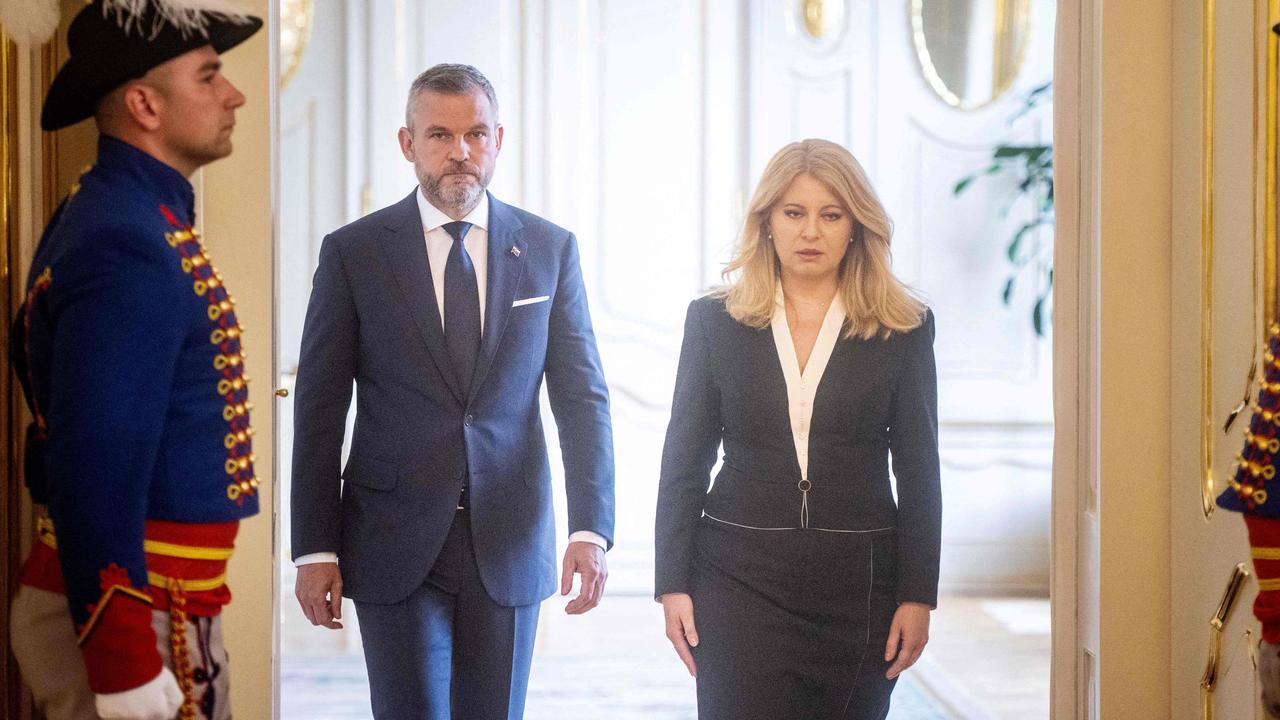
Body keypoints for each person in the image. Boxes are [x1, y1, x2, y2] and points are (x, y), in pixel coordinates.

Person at [290, 63, 616, 719]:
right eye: (439, 134)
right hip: (391, 538)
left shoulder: (550, 250)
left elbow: (582, 400)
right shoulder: (354, 253)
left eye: (476, 133)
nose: (460, 151)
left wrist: (591, 528)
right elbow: (321, 410)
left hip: (510, 536)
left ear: (499, 140)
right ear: (408, 143)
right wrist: (314, 546)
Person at [7, 2, 263, 719]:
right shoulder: (128, 241)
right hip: (142, 612)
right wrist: (123, 659)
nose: (233, 94)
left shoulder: (129, 216)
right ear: (145, 103)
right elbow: (96, 462)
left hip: (164, 601)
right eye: (209, 76)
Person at [654, 138, 942, 719]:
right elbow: (684, 459)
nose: (811, 232)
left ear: (856, 225)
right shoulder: (714, 321)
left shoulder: (902, 327)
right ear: (767, 222)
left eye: (830, 215)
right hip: (736, 577)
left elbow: (918, 467)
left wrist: (918, 593)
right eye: (794, 213)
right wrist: (672, 582)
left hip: (859, 583)